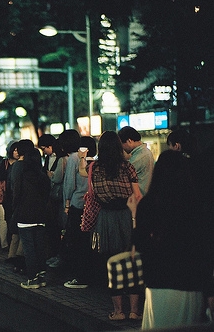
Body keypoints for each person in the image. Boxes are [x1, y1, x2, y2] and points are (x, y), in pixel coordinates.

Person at [128, 150, 213, 329]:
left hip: (159, 280)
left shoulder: (149, 204)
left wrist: (135, 213)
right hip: (192, 282)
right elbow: (205, 250)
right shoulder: (197, 205)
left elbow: (141, 245)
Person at [85, 131, 142, 321]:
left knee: (112, 264)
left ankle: (118, 312)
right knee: (132, 262)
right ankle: (134, 311)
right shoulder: (128, 167)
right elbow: (137, 195)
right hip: (127, 216)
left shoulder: (94, 168)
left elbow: (91, 193)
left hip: (106, 218)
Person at [13, 147, 50, 289]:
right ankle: (41, 277)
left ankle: (32, 278)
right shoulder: (43, 177)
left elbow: (16, 194)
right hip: (40, 215)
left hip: (24, 215)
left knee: (29, 248)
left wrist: (15, 209)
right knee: (39, 246)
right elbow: (47, 196)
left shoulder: (22, 175)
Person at [58, 129, 91, 288]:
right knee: (85, 240)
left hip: (77, 203)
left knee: (76, 241)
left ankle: (80, 276)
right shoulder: (88, 156)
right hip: (89, 203)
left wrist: (66, 204)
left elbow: (70, 183)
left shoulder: (73, 158)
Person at [38, 134, 66, 266]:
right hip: (50, 196)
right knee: (52, 227)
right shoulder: (48, 158)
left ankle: (58, 255)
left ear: (50, 146)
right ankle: (53, 254)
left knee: (58, 226)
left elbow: (57, 178)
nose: (44, 152)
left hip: (58, 197)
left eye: (44, 148)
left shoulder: (62, 158)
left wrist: (51, 176)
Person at [6, 139, 34, 273]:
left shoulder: (18, 165)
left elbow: (14, 187)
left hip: (18, 202)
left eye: (18, 149)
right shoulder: (28, 164)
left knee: (18, 232)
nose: (15, 151)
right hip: (25, 203)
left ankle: (15, 258)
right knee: (22, 234)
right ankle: (19, 260)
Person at [118, 126, 154, 196]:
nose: (122, 148)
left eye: (122, 144)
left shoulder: (139, 157)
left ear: (129, 141)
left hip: (140, 198)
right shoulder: (145, 152)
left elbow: (122, 175)